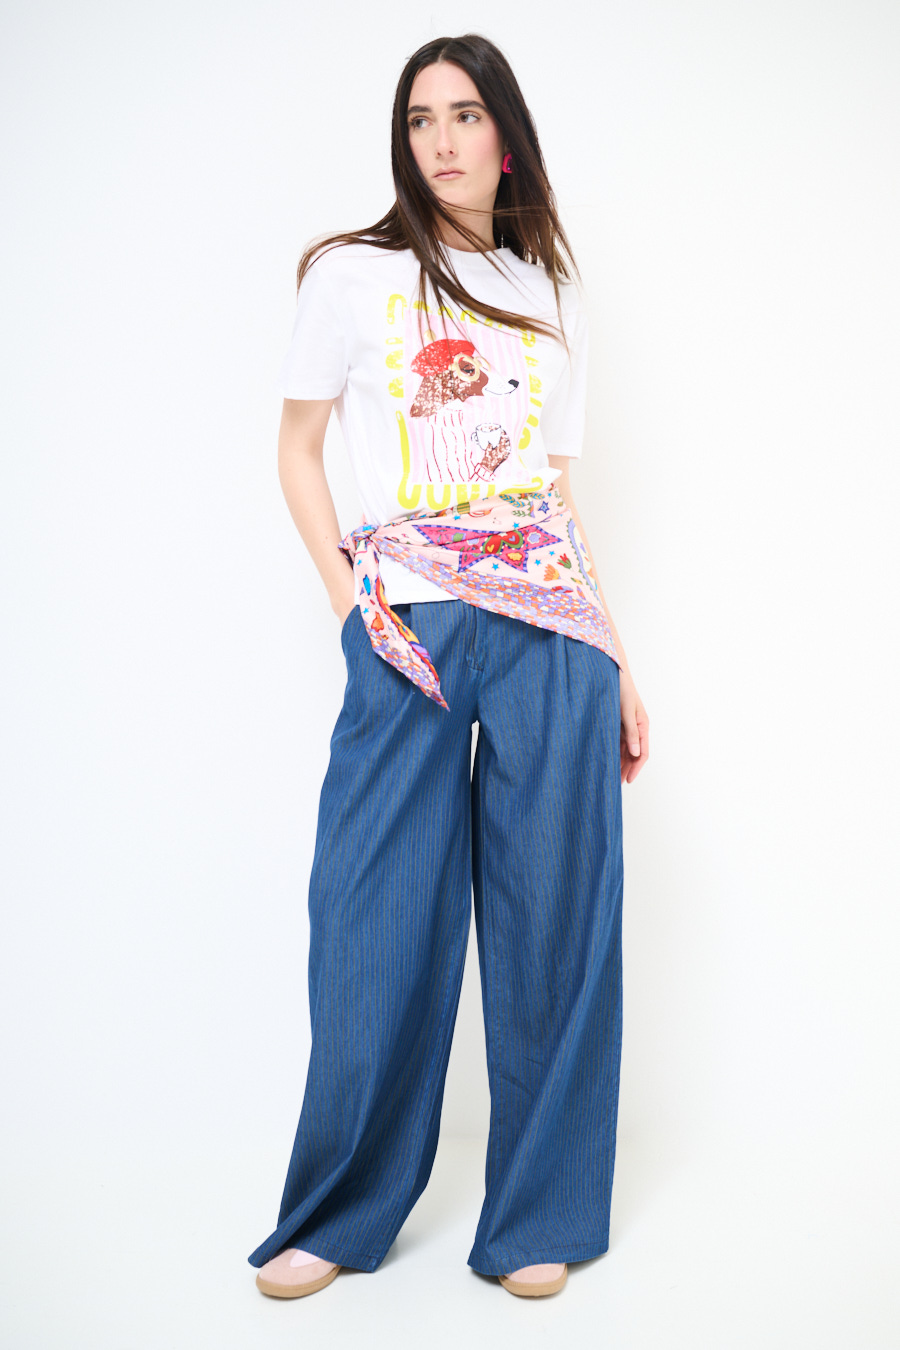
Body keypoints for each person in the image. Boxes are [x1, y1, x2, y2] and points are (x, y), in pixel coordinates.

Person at [247, 32, 649, 1301]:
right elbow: (297, 451)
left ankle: (538, 1218)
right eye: (420, 118)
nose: (441, 139)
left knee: (556, 919)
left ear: (506, 137)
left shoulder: (546, 293)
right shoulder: (351, 275)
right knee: (371, 918)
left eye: (465, 115)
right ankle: (340, 1211)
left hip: (553, 629)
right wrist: (349, 608)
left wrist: (619, 655)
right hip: (407, 625)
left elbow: (556, 495)